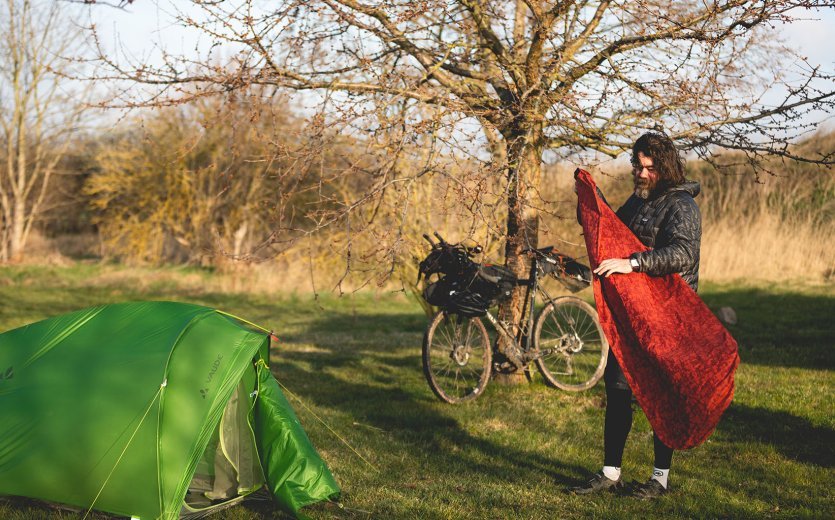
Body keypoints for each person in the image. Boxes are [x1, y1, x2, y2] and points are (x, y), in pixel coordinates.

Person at [570, 132, 702, 499]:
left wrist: (633, 263)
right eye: (638, 166)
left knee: (661, 396)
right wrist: (590, 207)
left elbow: (682, 254)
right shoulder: (640, 200)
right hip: (635, 317)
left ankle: (660, 480)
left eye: (650, 168)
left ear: (666, 167)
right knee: (617, 388)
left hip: (668, 318)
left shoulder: (683, 206)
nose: (642, 174)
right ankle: (611, 473)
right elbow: (613, 230)